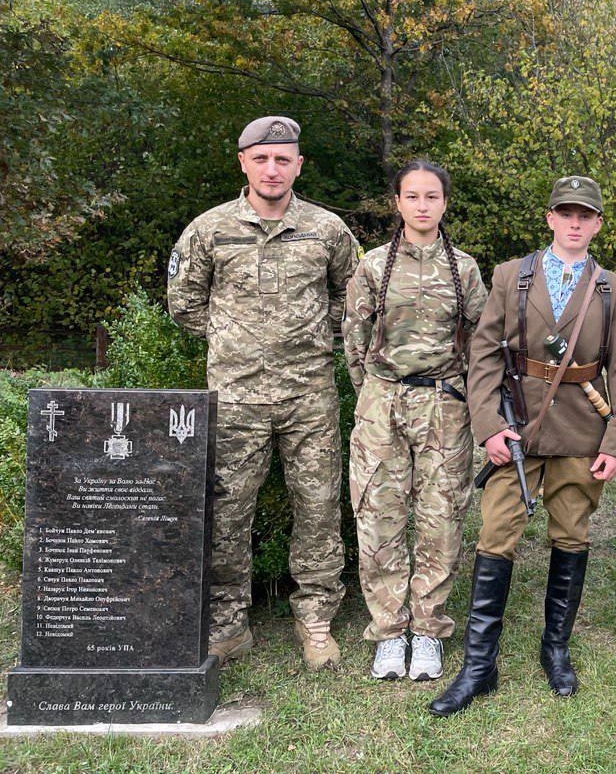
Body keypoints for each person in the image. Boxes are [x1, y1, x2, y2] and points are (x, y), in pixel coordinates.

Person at [429, 175, 616, 717]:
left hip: (580, 434)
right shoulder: (510, 276)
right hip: (515, 430)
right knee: (496, 536)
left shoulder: (613, 287)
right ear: (549, 218)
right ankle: (480, 665)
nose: (574, 222)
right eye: (565, 213)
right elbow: (484, 357)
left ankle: (556, 649)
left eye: (584, 215)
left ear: (596, 224)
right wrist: (489, 426)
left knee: (571, 535)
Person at [167, 116, 360, 670]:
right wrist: (238, 338)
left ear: (298, 165)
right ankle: (228, 622)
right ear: (243, 162)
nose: (272, 169)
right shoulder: (210, 229)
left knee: (319, 506)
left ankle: (317, 618)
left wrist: (311, 335)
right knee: (227, 510)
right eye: (262, 158)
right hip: (235, 399)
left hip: (309, 396)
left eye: (283, 159)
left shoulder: (326, 229)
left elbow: (353, 297)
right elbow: (184, 303)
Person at [342, 160, 487, 682]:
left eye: (432, 196)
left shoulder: (464, 269)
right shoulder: (374, 266)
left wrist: (461, 397)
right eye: (412, 196)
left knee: (440, 516)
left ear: (445, 203)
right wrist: (377, 393)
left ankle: (426, 630)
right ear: (397, 203)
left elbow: (481, 340)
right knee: (379, 514)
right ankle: (388, 630)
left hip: (444, 406)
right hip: (382, 404)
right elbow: (354, 338)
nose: (422, 205)